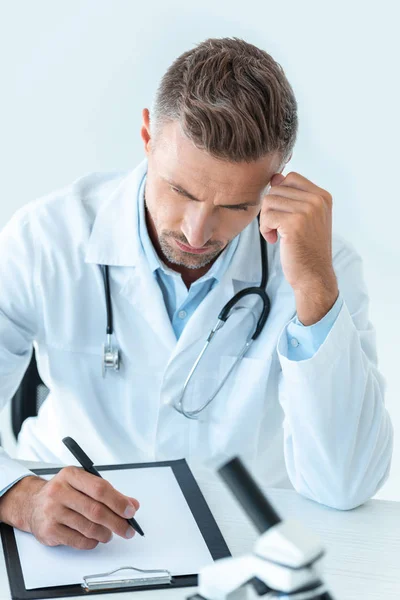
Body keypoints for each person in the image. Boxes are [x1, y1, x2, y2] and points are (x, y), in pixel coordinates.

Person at [0, 37, 393, 550]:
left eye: (235, 206)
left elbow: (347, 485)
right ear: (147, 135)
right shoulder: (46, 237)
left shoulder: (320, 264)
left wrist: (315, 290)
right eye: (181, 191)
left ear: (277, 181)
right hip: (66, 534)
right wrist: (16, 495)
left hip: (243, 537)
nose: (196, 232)